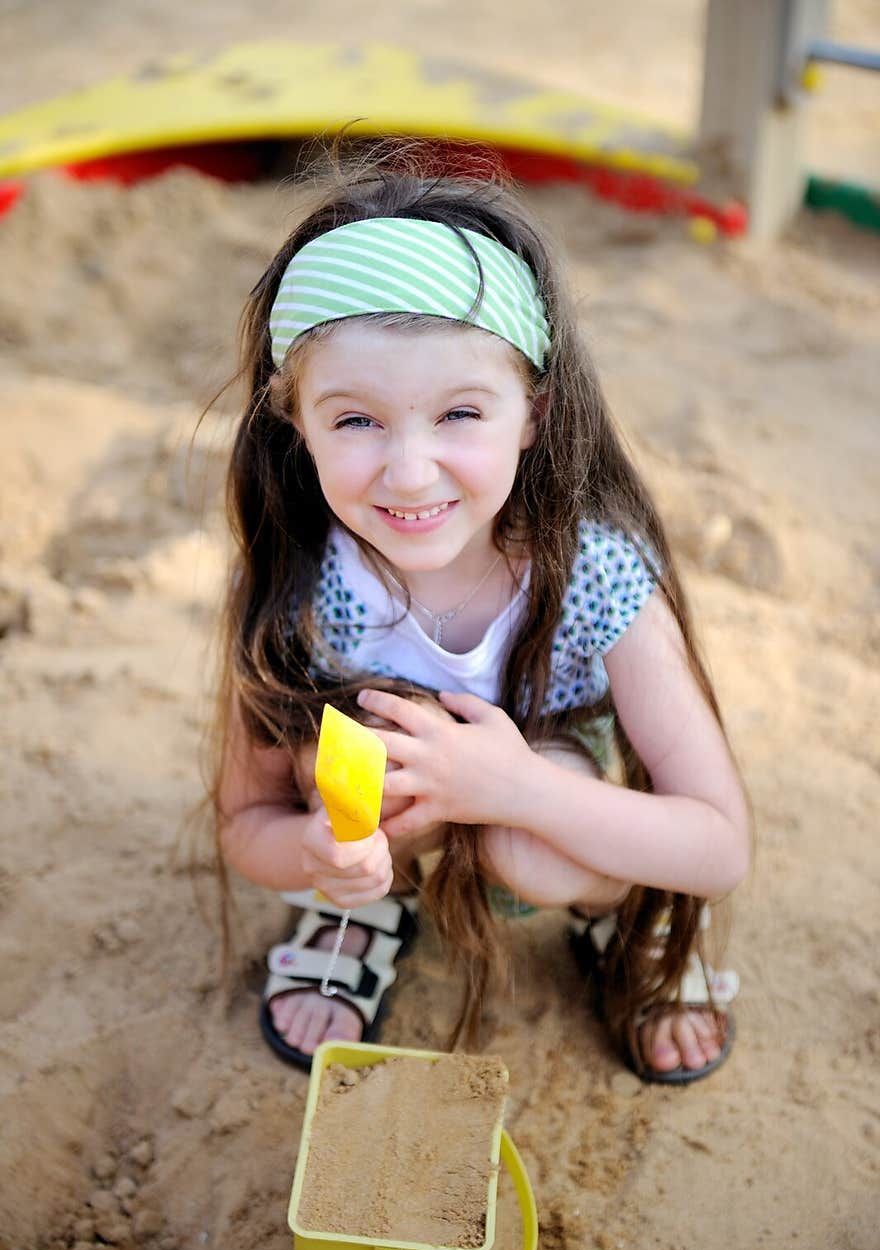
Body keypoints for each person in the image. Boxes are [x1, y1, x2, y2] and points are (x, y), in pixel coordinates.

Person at [212, 142, 750, 1086]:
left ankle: (622, 919)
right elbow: (244, 819)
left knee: (522, 837)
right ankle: (368, 907)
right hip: (403, 838)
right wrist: (318, 851)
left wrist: (517, 791)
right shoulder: (302, 582)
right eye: (355, 420)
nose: (409, 470)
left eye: (460, 414)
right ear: (293, 419)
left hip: (559, 810)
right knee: (353, 767)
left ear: (533, 412)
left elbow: (720, 842)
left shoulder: (595, 575)